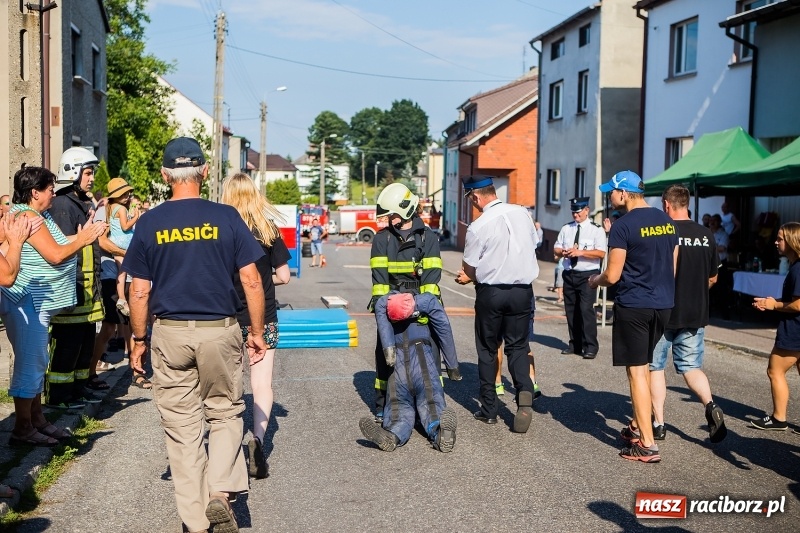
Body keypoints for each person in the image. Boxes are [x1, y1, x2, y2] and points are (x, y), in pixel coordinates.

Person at [123, 137, 267, 533]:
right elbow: (252, 281)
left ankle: (196, 521)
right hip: (220, 330)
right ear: (205, 171)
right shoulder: (226, 218)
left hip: (169, 334)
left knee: (183, 428)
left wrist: (138, 340)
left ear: (165, 174)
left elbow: (138, 289)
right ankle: (221, 493)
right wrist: (256, 332)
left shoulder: (150, 222)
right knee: (224, 413)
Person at [0, 166, 105, 445]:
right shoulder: (27, 217)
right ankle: (23, 428)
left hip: (35, 303)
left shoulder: (37, 215)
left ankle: (37, 419)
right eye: (49, 188)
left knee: (37, 362)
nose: (53, 193)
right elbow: (56, 255)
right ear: (35, 192)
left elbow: (58, 243)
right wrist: (82, 240)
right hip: (26, 301)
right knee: (31, 364)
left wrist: (86, 235)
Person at [588, 170, 678, 463]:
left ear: (624, 194)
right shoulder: (667, 221)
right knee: (648, 366)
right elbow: (672, 267)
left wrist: (595, 281)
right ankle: (638, 424)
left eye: (611, 192)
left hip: (634, 305)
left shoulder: (622, 226)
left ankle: (647, 445)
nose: (609, 197)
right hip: (663, 304)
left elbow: (613, 275)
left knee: (637, 371)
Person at [455, 175, 539, 433]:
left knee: (488, 349)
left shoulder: (478, 226)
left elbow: (470, 266)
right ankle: (524, 393)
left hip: (491, 292)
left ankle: (489, 410)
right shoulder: (522, 213)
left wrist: (467, 276)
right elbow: (533, 244)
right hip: (523, 290)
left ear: (476, 196)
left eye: (471, 199)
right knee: (518, 346)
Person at [221, 172, 291, 479]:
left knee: (230, 384)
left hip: (228, 318)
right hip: (266, 318)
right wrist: (264, 282)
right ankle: (258, 440)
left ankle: (230, 445)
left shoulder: (221, 231)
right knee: (262, 384)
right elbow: (285, 276)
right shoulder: (268, 229)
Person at [650, 185, 726, 443]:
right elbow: (713, 277)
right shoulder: (706, 234)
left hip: (664, 311)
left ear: (667, 205)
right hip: (695, 311)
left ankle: (658, 424)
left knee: (655, 367)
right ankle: (711, 405)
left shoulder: (665, 232)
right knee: (691, 367)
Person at [368, 182, 443, 422]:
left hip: (421, 307)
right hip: (391, 307)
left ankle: (431, 403)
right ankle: (383, 403)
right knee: (385, 354)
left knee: (430, 353)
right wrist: (386, 308)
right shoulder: (382, 240)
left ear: (405, 211)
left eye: (391, 215)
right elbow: (379, 282)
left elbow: (431, 281)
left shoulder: (428, 238)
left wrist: (419, 309)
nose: (388, 220)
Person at [359, 292, 461, 452]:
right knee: (431, 404)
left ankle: (392, 434)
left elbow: (383, 327)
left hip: (398, 366)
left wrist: (389, 352)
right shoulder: (427, 300)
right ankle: (439, 430)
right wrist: (452, 366)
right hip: (422, 362)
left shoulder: (383, 303)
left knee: (399, 409)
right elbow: (443, 327)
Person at [47, 147, 108, 409]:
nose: (92, 178)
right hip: (71, 291)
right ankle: (59, 397)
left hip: (85, 291)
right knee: (68, 347)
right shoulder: (62, 205)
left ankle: (77, 390)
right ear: (72, 172)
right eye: (88, 172)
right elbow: (61, 247)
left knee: (83, 345)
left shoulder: (78, 203)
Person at [751, 222, 800, 431]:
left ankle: (779, 418)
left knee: (774, 370)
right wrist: (770, 302)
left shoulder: (798, 268)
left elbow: (798, 304)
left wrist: (774, 304)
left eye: (780, 238)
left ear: (791, 241)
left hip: (795, 330)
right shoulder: (795, 265)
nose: (776, 242)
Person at [89, 202, 141, 391]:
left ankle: (134, 367)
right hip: (107, 274)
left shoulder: (117, 209)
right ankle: (91, 370)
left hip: (121, 273)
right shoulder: (105, 210)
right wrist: (125, 252)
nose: (129, 196)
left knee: (126, 321)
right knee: (110, 325)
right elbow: (102, 241)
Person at [554, 197, 607, 359]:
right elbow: (556, 248)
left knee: (586, 310)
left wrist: (580, 252)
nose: (575, 215)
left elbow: (601, 253)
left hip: (588, 275)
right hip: (570, 273)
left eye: (578, 212)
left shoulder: (596, 229)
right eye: (573, 212)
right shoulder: (567, 228)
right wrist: (563, 252)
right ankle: (575, 344)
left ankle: (590, 346)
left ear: (586, 210)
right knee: (571, 310)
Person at [105, 177, 140, 316]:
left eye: (128, 194)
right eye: (124, 195)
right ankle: (130, 299)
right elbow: (125, 227)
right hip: (125, 242)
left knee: (121, 272)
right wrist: (136, 217)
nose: (127, 197)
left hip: (114, 241)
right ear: (117, 196)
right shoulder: (121, 209)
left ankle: (121, 298)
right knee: (131, 272)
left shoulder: (111, 207)